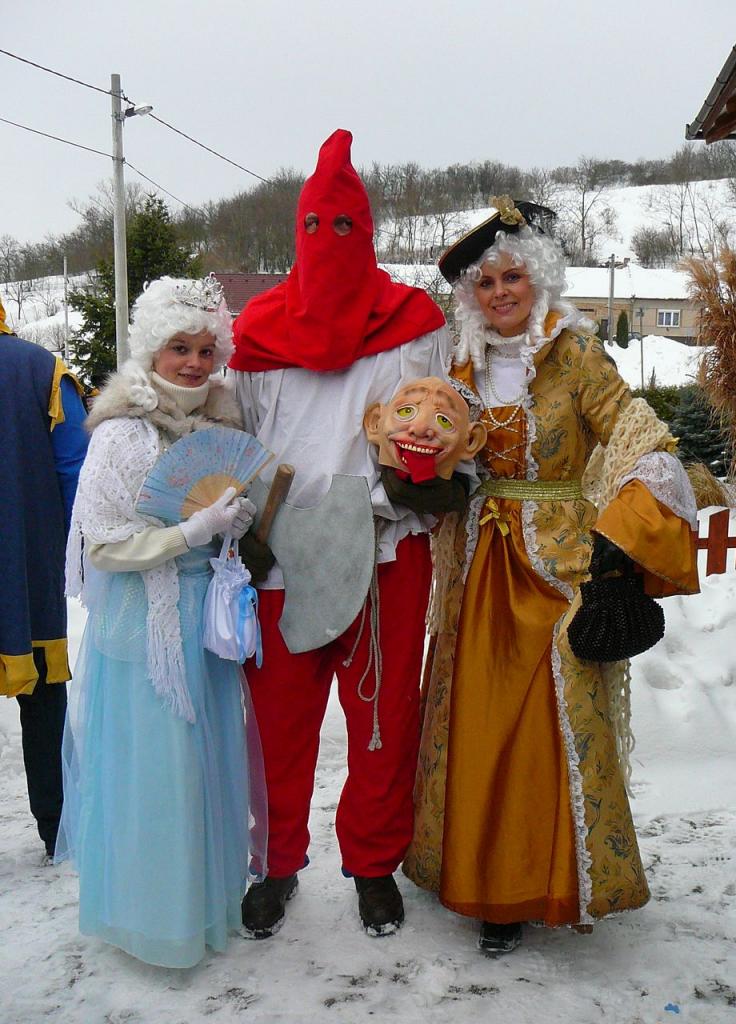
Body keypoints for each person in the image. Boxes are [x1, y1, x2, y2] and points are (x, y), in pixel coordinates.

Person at [402, 198, 700, 953]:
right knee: (479, 721)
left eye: (512, 277)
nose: (500, 292)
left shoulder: (577, 356)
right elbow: (427, 442)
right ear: (470, 295)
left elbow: (644, 440)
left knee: (551, 725)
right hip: (476, 569)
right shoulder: (456, 366)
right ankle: (488, 888)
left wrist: (622, 538)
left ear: (538, 280)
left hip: (560, 567)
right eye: (485, 282)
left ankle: (550, 877)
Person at [230, 129, 472, 939]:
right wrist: (241, 528)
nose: (327, 240)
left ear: (366, 232)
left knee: (382, 720)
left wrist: (429, 482)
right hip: (283, 557)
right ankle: (276, 864)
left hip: (383, 550)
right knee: (277, 724)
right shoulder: (257, 333)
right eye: (314, 226)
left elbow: (434, 420)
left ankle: (373, 864)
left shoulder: (414, 323)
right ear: (295, 230)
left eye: (343, 226)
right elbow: (241, 442)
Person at [56, 276, 266, 968]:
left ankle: (201, 906)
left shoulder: (222, 425)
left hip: (203, 629)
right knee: (155, 775)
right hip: (144, 630)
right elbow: (103, 545)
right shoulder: (122, 433)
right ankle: (151, 919)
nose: (195, 364)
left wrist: (229, 526)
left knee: (203, 773)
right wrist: (187, 533)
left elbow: (222, 516)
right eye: (180, 348)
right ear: (152, 349)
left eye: (206, 350)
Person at [1, 298, 88, 862]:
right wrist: (74, 554)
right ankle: (58, 826)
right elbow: (76, 470)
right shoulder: (41, 369)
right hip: (24, 562)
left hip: (26, 558)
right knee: (41, 693)